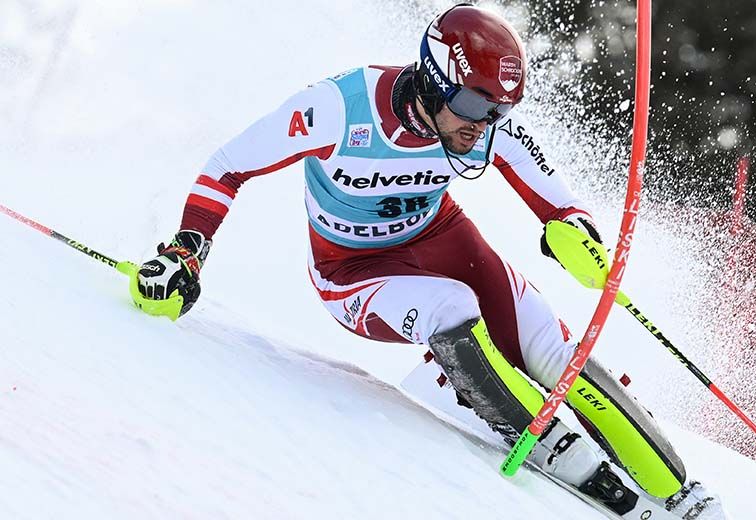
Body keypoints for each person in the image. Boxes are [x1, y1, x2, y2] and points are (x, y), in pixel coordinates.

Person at [131, 4, 723, 519]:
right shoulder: (341, 107)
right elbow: (229, 164)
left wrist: (575, 232)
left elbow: (559, 202)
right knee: (451, 306)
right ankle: (553, 448)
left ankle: (682, 494)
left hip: (441, 238)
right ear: (434, 79)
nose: (483, 124)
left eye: (500, 110)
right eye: (471, 104)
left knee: (548, 344)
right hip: (352, 273)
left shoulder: (484, 124)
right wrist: (188, 249)